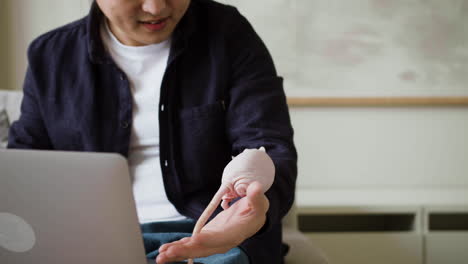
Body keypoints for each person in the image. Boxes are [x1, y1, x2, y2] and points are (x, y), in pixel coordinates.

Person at [8, 0, 297, 263]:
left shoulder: (229, 34)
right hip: (87, 237)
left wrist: (251, 212)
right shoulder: (50, 55)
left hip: (211, 234)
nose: (156, 7)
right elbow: (22, 168)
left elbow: (267, 143)